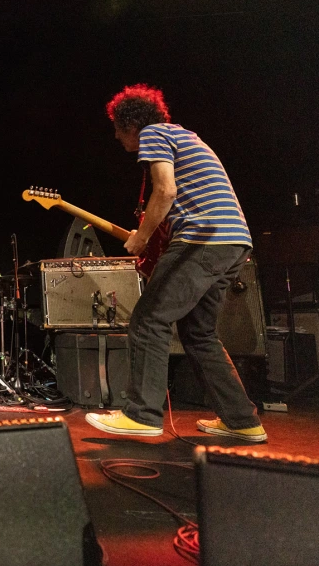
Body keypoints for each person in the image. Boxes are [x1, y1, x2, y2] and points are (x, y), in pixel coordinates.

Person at [85, 85, 266, 442]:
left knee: (149, 319)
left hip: (203, 240)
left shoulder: (153, 134)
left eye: (118, 128)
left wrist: (141, 237)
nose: (116, 136)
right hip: (232, 241)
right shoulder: (185, 137)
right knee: (199, 333)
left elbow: (166, 191)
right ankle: (242, 420)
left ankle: (142, 415)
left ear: (131, 124)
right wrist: (151, 239)